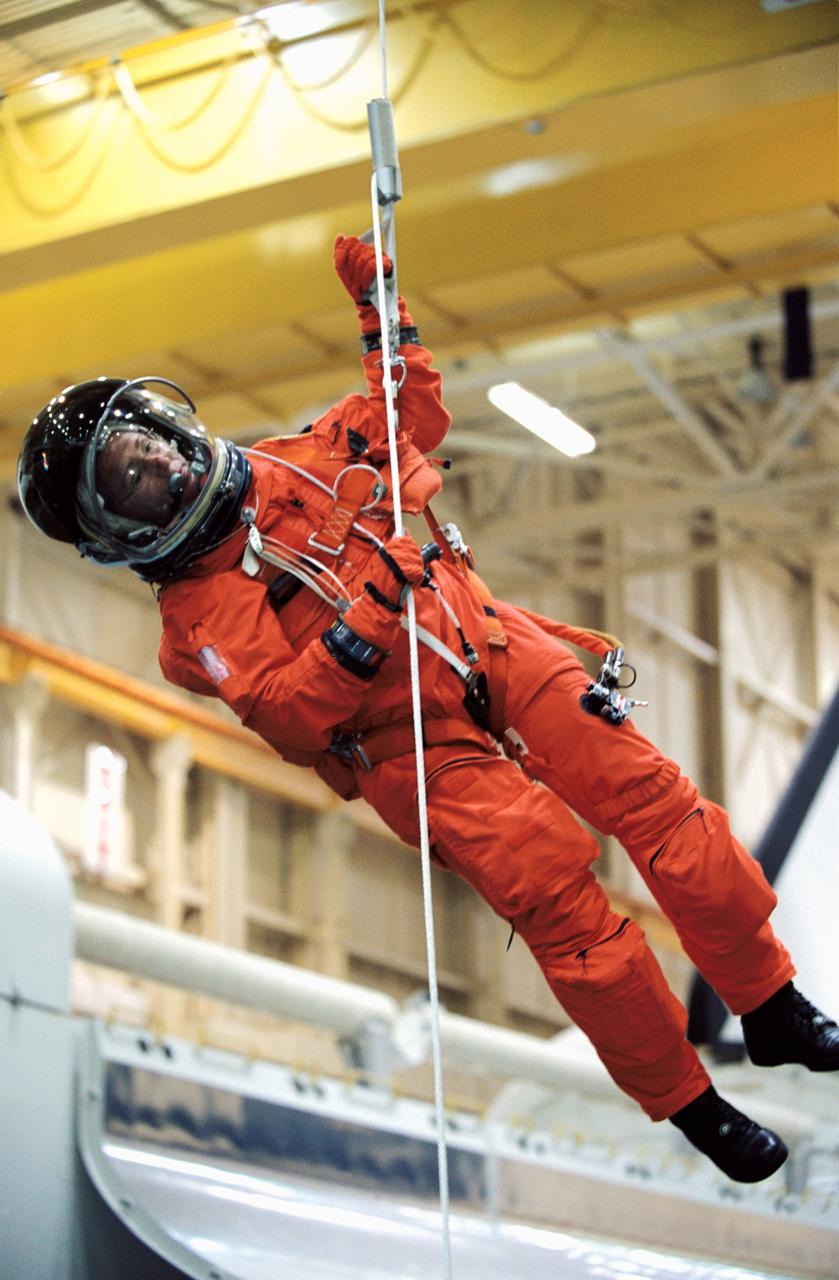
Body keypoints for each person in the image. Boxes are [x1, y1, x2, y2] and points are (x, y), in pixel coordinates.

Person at [17, 235, 839, 1184]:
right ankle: (691, 1105)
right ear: (117, 525)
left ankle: (768, 1000)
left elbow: (406, 412)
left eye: (148, 432)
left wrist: (385, 313)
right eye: (130, 470)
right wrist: (366, 616)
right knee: (564, 908)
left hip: (484, 642)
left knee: (662, 808)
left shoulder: (296, 461)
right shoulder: (195, 623)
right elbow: (288, 713)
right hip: (412, 746)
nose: (160, 456)